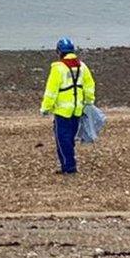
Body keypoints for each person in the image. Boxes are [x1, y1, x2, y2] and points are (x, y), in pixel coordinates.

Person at [41, 38, 95, 174]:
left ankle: (69, 167)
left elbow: (51, 91)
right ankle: (68, 165)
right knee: (70, 139)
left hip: (62, 110)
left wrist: (45, 108)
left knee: (62, 139)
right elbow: (89, 86)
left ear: (59, 52)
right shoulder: (82, 66)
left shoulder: (58, 69)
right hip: (77, 109)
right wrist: (89, 102)